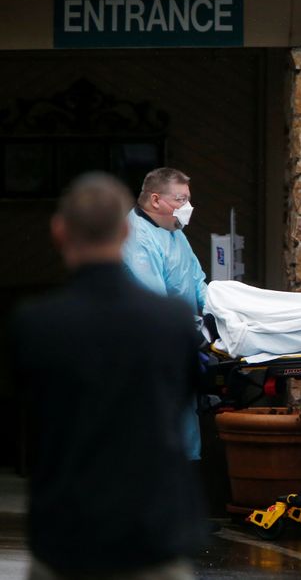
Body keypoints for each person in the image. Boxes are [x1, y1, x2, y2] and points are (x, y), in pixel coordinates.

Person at [10, 173, 206, 580]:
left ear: (59, 232)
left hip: (67, 536)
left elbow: (28, 412)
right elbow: (185, 394)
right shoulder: (172, 322)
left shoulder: (34, 323)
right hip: (151, 534)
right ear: (124, 231)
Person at [123, 167, 207, 461]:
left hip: (177, 343)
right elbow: (153, 303)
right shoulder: (134, 239)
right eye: (180, 200)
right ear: (156, 200)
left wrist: (223, 315)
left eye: (188, 200)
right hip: (149, 348)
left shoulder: (174, 234)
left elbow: (197, 283)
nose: (187, 208)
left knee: (183, 431)